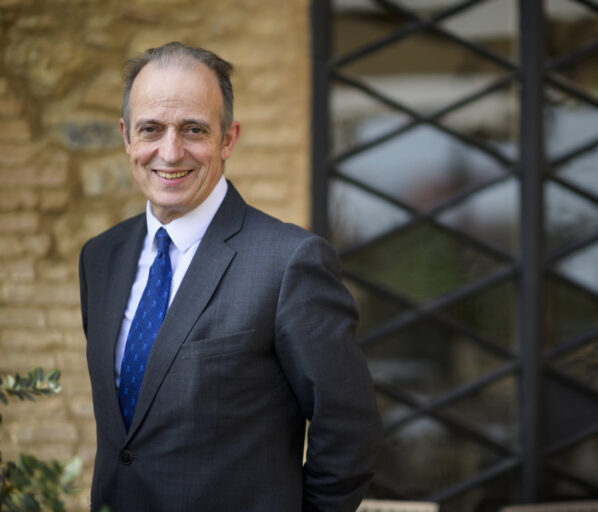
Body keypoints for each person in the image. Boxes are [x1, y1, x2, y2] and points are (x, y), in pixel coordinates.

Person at [78, 42, 382, 511]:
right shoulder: (100, 258)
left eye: (194, 129)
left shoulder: (289, 263)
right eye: (151, 129)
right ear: (126, 137)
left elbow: (349, 431)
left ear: (228, 139)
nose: (170, 150)